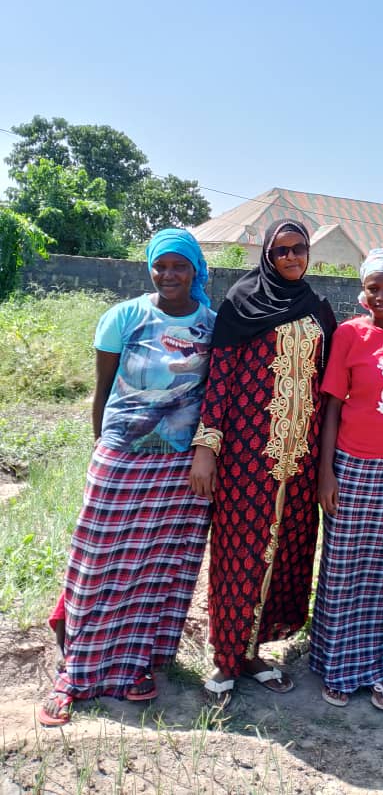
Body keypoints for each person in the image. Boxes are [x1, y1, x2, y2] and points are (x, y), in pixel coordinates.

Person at [39, 229, 216, 726]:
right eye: (161, 266)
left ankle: (137, 664)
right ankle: (76, 669)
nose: (169, 275)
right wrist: (103, 448)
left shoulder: (212, 325)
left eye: (180, 266)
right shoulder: (124, 317)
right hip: (123, 456)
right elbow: (102, 392)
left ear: (196, 271)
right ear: (151, 268)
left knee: (158, 565)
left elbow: (215, 398)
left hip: (180, 466)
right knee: (99, 560)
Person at [190, 220, 336, 707]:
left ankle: (251, 655)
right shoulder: (241, 302)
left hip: (301, 459)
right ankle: (226, 658)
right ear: (267, 254)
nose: (292, 258)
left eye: (300, 249)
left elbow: (331, 386)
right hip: (246, 456)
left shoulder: (317, 310)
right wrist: (207, 448)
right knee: (239, 550)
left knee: (287, 553)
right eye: (282, 251)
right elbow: (220, 380)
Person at [309, 249, 383, 711]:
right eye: (373, 287)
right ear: (364, 291)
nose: (380, 295)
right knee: (342, 567)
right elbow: (333, 408)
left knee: (381, 570)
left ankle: (377, 666)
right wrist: (326, 473)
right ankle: (336, 666)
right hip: (351, 466)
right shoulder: (348, 335)